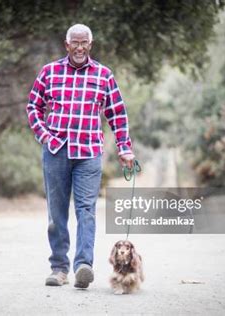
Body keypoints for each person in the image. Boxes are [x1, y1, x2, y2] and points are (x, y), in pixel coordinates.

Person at [26, 23, 135, 288]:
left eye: (84, 42)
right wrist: (46, 137)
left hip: (89, 153)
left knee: (86, 210)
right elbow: (33, 106)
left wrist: (124, 147)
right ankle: (59, 269)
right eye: (74, 42)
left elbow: (117, 114)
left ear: (90, 44)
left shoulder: (104, 75)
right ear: (67, 45)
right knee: (56, 213)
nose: (79, 47)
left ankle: (83, 265)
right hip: (56, 152)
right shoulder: (49, 72)